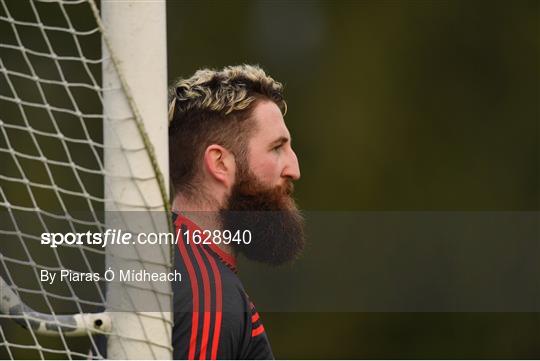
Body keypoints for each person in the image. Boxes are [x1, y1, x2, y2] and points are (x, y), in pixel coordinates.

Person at [169, 64, 305, 359]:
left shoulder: (164, 264)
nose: (294, 169)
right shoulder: (206, 296)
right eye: (277, 148)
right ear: (219, 163)